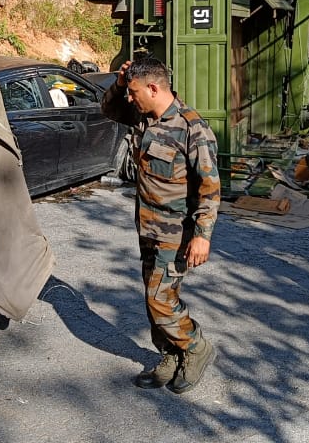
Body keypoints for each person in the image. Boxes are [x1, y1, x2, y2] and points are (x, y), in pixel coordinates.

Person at [102, 57, 220, 394]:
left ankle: (196, 347)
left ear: (154, 88)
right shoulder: (143, 115)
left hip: (176, 233)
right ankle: (169, 354)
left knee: (160, 299)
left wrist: (202, 236)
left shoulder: (192, 128)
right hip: (148, 227)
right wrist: (122, 83)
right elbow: (109, 109)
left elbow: (210, 187)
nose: (130, 98)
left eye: (135, 92)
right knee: (153, 297)